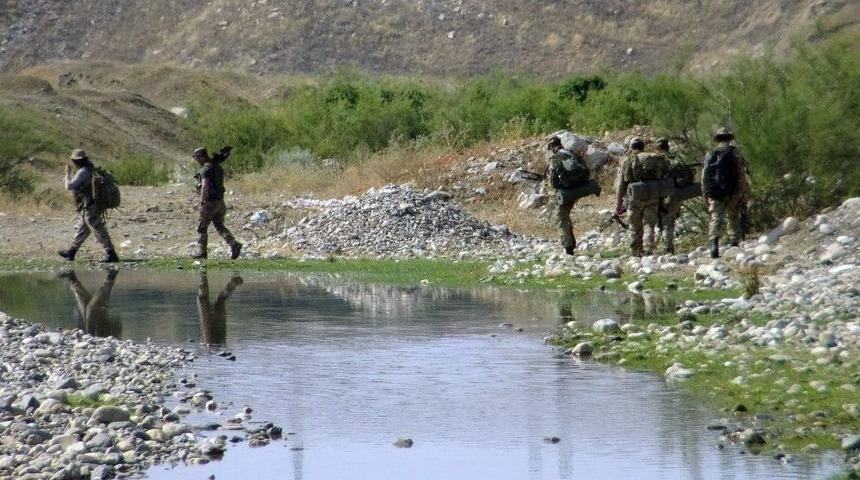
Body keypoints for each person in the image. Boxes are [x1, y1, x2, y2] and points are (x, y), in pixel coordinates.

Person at [58, 149, 119, 263]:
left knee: (98, 228)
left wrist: (67, 174)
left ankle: (111, 253)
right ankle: (71, 252)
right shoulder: (90, 169)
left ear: (76, 161)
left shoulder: (83, 172)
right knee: (83, 229)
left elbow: (69, 186)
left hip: (91, 206)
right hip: (94, 204)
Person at [615, 137, 671, 256]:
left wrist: (618, 203)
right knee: (649, 224)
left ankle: (635, 251)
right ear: (642, 147)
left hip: (634, 196)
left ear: (631, 147)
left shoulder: (626, 159)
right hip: (653, 194)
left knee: (634, 225)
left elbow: (621, 183)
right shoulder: (652, 157)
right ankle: (648, 249)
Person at [702, 128, 749, 258]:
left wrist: (705, 193)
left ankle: (714, 245)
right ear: (729, 138)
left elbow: (704, 176)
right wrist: (743, 192)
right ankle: (734, 243)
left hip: (715, 192)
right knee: (732, 216)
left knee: (716, 218)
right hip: (732, 191)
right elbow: (741, 174)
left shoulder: (710, 153)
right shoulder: (734, 152)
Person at [193, 147, 242, 260]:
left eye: (197, 157)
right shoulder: (217, 167)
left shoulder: (205, 169)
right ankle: (233, 244)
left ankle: (202, 253)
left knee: (202, 228)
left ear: (201, 156)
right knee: (219, 226)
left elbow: (205, 186)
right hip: (220, 202)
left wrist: (202, 201)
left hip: (209, 203)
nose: (197, 160)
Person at [546, 135, 591, 255]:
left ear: (552, 146)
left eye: (550, 147)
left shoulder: (556, 158)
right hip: (577, 190)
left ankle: (568, 247)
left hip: (565, 192)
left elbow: (553, 181)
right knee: (565, 216)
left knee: (561, 218)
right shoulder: (572, 154)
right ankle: (571, 242)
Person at [59, 269, 122, 337]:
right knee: (90, 308)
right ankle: (110, 278)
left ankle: (72, 278)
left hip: (93, 328)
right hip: (102, 329)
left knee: (86, 304)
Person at [197, 271, 243, 345]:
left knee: (218, 300)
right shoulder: (209, 343)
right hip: (209, 325)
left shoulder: (218, 342)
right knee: (208, 299)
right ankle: (202, 273)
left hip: (214, 326)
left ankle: (233, 284)